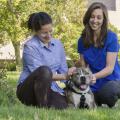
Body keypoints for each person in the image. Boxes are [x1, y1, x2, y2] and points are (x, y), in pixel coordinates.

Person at [16, 12, 76, 109]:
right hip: (28, 90)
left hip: (49, 89)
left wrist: (72, 75)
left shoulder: (58, 44)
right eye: (44, 33)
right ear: (36, 31)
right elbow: (42, 76)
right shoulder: (30, 46)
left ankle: (43, 104)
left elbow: (64, 72)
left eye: (50, 31)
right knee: (45, 70)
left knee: (64, 106)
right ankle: (43, 108)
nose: (48, 35)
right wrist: (65, 76)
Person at [77, 2, 120, 107]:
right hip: (92, 81)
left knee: (107, 94)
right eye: (92, 17)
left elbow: (109, 68)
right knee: (81, 98)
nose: (95, 20)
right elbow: (83, 65)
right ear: (88, 18)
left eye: (99, 17)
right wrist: (77, 70)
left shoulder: (111, 37)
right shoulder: (81, 41)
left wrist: (92, 76)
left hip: (111, 79)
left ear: (103, 20)